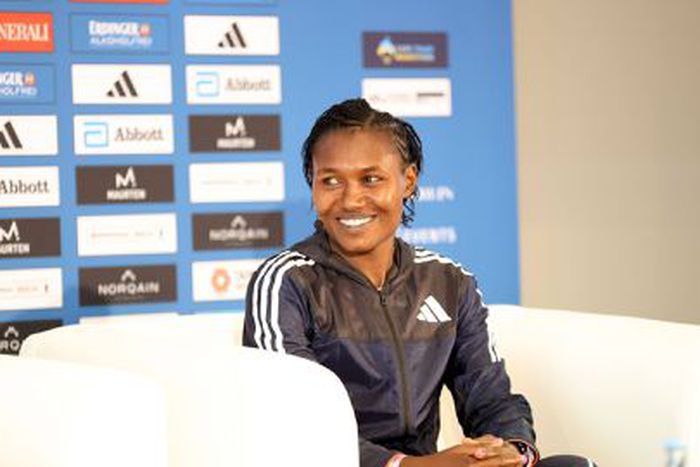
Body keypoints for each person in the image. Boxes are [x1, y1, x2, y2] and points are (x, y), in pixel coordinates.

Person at [243, 98, 594, 467]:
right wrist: (408, 466)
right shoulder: (285, 281)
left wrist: (510, 451)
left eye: (370, 179)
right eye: (330, 180)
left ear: (407, 181)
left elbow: (490, 398)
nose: (351, 199)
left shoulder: (449, 282)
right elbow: (293, 419)